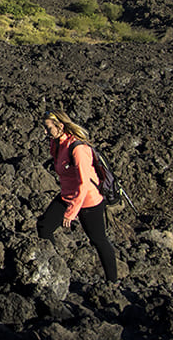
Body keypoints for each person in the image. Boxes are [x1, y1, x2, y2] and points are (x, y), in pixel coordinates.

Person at [37, 111, 118, 282]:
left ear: (60, 126)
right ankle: (55, 270)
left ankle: (113, 282)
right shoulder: (58, 143)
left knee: (98, 240)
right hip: (68, 195)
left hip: (88, 200)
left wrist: (72, 212)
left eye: (48, 127)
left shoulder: (78, 149)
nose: (45, 132)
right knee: (44, 226)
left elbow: (85, 184)